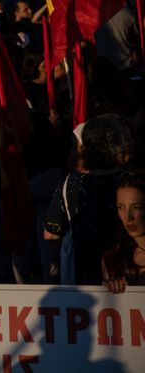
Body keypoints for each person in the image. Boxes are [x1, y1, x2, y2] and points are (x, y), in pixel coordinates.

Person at [44, 114, 133, 285]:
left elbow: (50, 233)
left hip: (82, 280)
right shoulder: (130, 181)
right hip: (124, 276)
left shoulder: (70, 183)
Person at [102, 171, 145, 293]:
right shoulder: (112, 258)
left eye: (136, 207)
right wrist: (104, 291)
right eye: (121, 207)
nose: (128, 217)